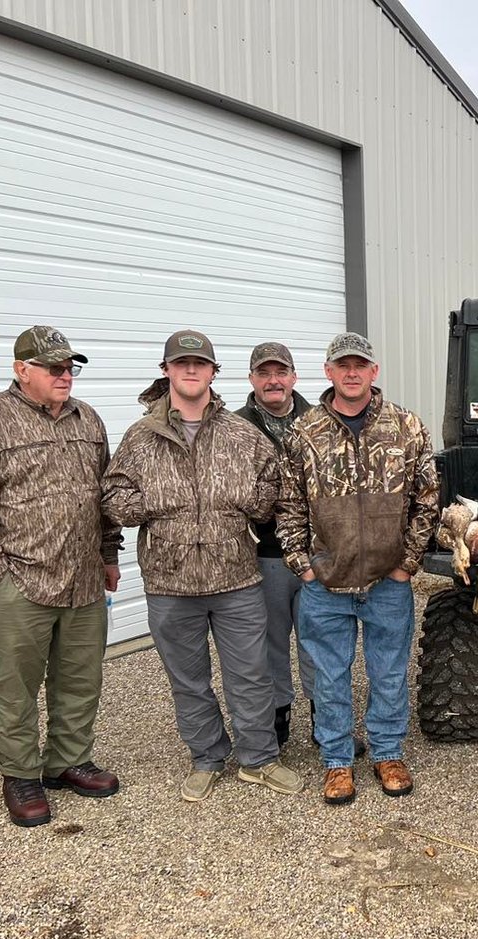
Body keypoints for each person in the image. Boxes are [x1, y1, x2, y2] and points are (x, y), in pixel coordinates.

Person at [102, 330, 302, 802]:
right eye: (181, 363)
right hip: (171, 584)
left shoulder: (240, 433)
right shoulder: (141, 438)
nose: (190, 371)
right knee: (188, 680)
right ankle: (207, 756)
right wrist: (156, 502)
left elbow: (273, 487)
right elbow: (113, 494)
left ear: (214, 373)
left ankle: (259, 758)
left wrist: (247, 504)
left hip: (236, 578)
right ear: (167, 370)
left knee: (251, 675)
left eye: (200, 363)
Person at [0, 325, 122, 827]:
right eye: (54, 368)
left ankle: (67, 760)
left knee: (80, 678)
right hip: (20, 580)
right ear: (21, 369)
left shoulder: (89, 420)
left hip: (84, 577)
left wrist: (109, 555)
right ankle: (21, 773)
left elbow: (103, 497)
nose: (65, 376)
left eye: (70, 367)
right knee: (16, 684)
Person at [276, 332, 439, 806]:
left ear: (374, 371)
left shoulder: (406, 427)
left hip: (387, 582)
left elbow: (427, 500)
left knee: (389, 672)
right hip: (326, 583)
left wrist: (407, 564)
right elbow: (287, 507)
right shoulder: (303, 433)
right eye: (342, 365)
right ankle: (337, 761)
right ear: (328, 372)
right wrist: (303, 567)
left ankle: (387, 752)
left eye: (360, 365)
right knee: (329, 676)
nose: (351, 373)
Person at [233, 342, 316, 746]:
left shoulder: (319, 421)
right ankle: (277, 720)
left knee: (318, 639)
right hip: (263, 555)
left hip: (318, 555)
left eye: (280, 372)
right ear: (252, 380)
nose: (273, 381)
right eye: (264, 374)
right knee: (269, 644)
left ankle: (326, 720)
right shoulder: (233, 427)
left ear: (294, 377)